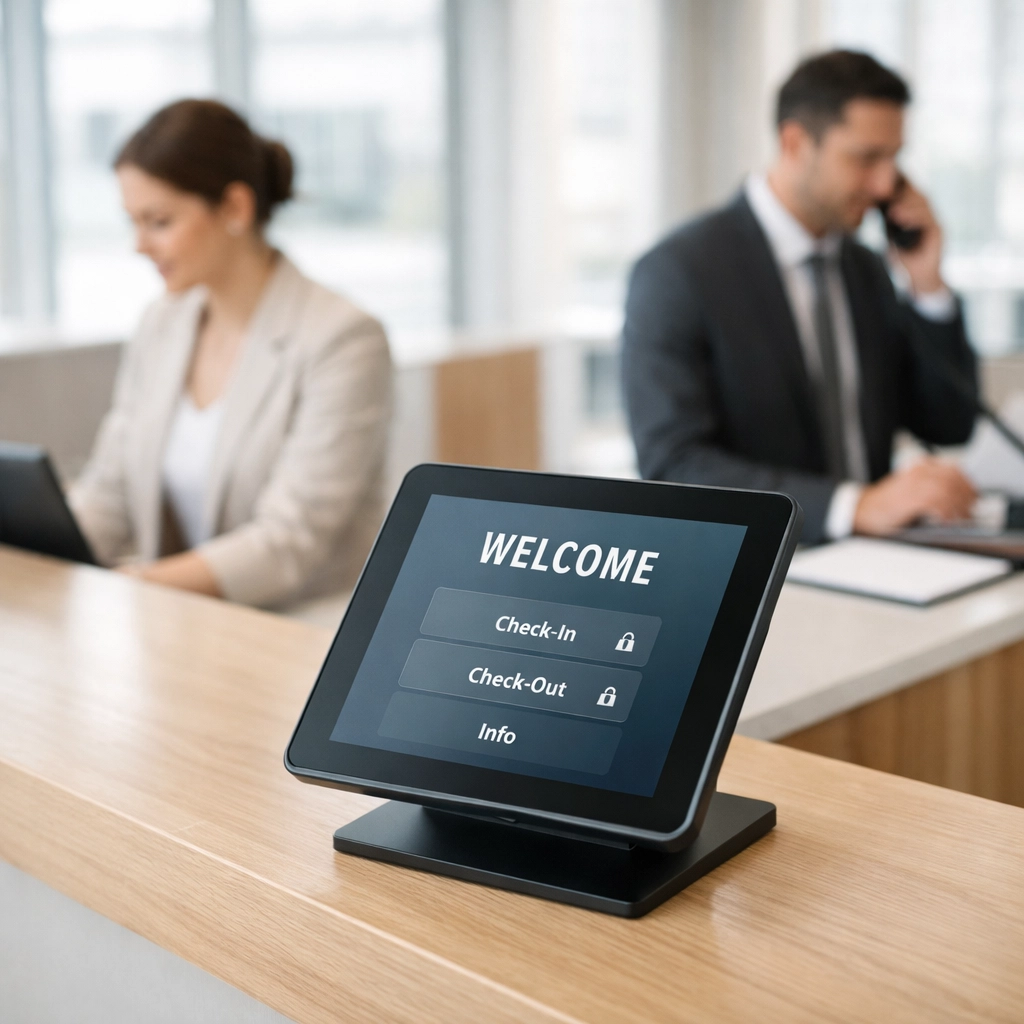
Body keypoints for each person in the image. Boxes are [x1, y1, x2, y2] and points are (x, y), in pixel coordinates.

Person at [622, 50, 980, 544]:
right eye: (866, 157)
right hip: (765, 571)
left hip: (882, 558)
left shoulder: (865, 267)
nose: (884, 183)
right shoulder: (680, 272)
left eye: (894, 158)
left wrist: (928, 284)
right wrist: (853, 507)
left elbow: (949, 423)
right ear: (795, 143)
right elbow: (674, 464)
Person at [70, 99, 392, 609]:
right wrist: (47, 546)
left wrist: (133, 585)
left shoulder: (342, 338)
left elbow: (290, 538)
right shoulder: (162, 324)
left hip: (298, 631)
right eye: (132, 222)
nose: (139, 246)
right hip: (180, 623)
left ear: (236, 209)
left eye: (158, 221)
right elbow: (110, 491)